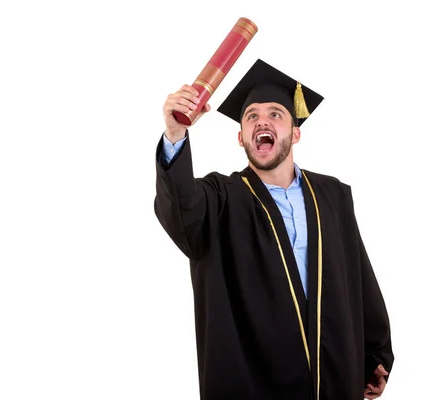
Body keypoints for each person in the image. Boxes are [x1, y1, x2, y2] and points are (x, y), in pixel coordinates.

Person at [153, 59, 394, 400]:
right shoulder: (219, 199)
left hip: (333, 377)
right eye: (251, 116)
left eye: (275, 114)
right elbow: (180, 208)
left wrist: (374, 354)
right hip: (252, 382)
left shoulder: (333, 195)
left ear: (295, 133)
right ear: (241, 138)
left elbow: (358, 277)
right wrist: (175, 133)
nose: (261, 121)